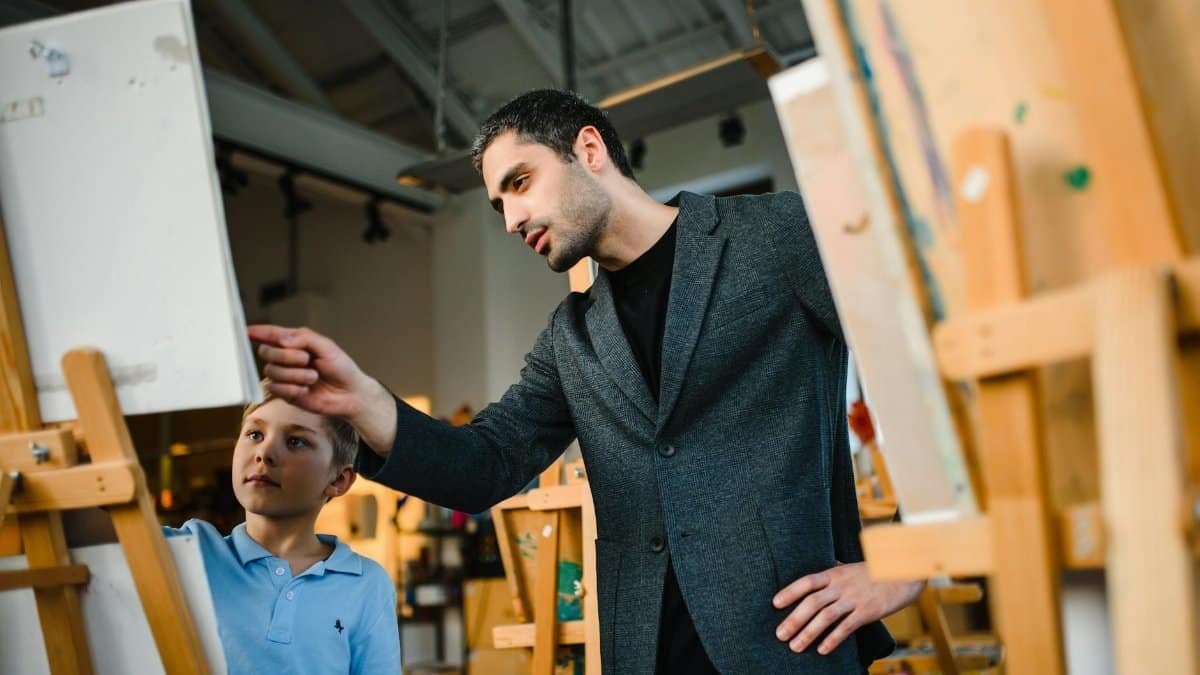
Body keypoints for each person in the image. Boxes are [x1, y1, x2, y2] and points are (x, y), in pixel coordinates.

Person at [251, 89, 921, 673]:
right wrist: (363, 398)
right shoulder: (570, 340)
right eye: (496, 204)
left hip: (790, 648)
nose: (511, 219)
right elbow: (482, 465)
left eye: (519, 182)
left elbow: (927, 366)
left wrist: (910, 559)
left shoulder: (773, 236)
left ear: (589, 148)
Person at [163, 380, 400, 674]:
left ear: (338, 480)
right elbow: (90, 525)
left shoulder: (367, 584)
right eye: (255, 434)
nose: (265, 452)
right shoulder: (188, 552)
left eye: (295, 441)